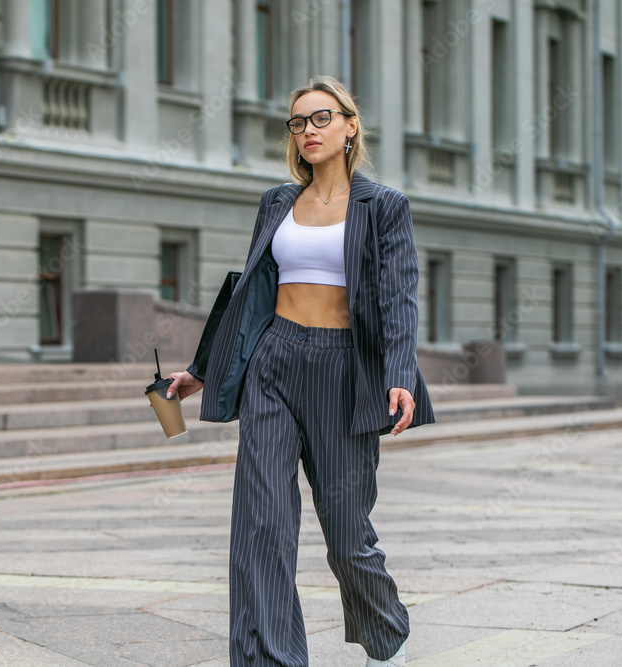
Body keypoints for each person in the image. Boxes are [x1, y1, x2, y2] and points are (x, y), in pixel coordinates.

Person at [166, 75, 435, 666]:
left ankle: (385, 640)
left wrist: (399, 373)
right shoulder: (276, 204)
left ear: (349, 125)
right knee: (260, 525)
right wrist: (203, 369)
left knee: (346, 535)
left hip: (345, 371)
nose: (308, 131)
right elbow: (250, 297)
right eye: (298, 122)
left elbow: (398, 296)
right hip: (273, 363)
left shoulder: (383, 206)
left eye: (321, 119)